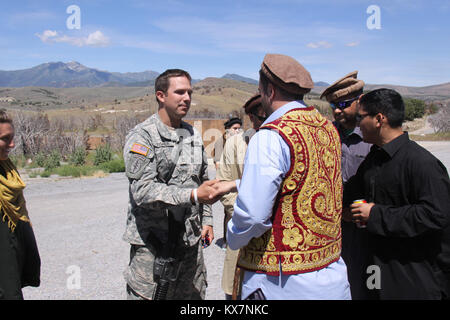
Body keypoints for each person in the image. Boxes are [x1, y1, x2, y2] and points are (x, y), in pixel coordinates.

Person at [213, 54, 350, 300]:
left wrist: (233, 236)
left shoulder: (270, 135)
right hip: (331, 273)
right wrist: (234, 184)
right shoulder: (327, 128)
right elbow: (298, 179)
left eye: (260, 91)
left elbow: (254, 216)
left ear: (270, 92)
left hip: (282, 282)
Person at [344, 88, 450, 299]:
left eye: (361, 117)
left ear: (379, 119)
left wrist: (375, 215)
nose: (357, 124)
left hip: (415, 278)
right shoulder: (374, 160)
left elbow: (436, 214)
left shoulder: (421, 163)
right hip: (378, 272)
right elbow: (349, 193)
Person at [122, 69, 217, 300]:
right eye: (180, 92)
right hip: (154, 247)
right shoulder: (143, 136)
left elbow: (203, 178)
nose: (187, 98)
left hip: (190, 245)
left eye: (189, 93)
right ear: (161, 95)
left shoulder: (192, 134)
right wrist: (193, 195)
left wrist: (207, 221)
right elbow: (143, 191)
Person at [320, 71, 372, 299]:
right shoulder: (326, 135)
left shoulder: (374, 134)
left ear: (360, 101)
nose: (337, 110)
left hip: (369, 229)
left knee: (370, 284)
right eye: (333, 105)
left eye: (343, 104)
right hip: (334, 228)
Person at [216, 94, 266, 300]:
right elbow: (223, 183)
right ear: (251, 118)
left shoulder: (283, 141)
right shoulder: (236, 143)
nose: (261, 123)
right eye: (257, 118)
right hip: (241, 235)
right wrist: (241, 213)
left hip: (274, 244)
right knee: (235, 293)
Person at [0, 110, 40, 300]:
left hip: (10, 262)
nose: (13, 144)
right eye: (5, 139)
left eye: (12, 138)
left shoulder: (6, 169)